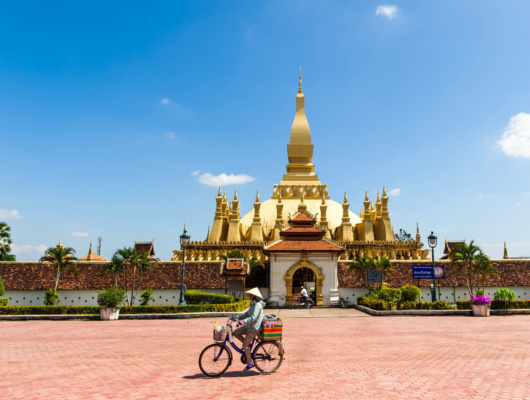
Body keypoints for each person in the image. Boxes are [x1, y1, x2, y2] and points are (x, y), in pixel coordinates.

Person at [232, 287, 266, 371]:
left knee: (245, 345)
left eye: (250, 295)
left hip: (254, 328)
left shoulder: (257, 305)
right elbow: (247, 314)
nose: (249, 296)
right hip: (249, 327)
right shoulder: (253, 304)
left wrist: (243, 322)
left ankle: (250, 363)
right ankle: (247, 346)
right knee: (235, 333)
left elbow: (253, 318)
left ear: (254, 295)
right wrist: (237, 318)